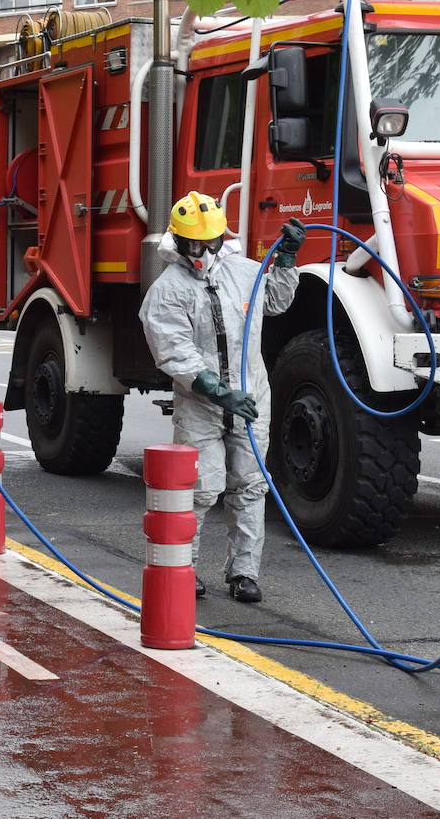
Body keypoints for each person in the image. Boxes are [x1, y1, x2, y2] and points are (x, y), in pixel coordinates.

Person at [138, 192, 304, 603]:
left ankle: (244, 573)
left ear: (219, 238)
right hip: (201, 406)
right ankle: (183, 565)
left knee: (249, 487)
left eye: (207, 243)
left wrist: (285, 260)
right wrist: (217, 391)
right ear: (177, 242)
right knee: (198, 489)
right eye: (192, 244)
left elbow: (277, 303)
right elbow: (174, 351)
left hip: (250, 399)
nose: (200, 253)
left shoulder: (244, 272)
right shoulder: (167, 291)